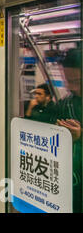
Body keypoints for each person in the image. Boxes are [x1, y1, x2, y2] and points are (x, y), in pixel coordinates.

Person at [54, 48, 82, 213]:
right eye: (68, 81)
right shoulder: (66, 104)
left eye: (77, 81)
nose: (71, 87)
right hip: (72, 181)